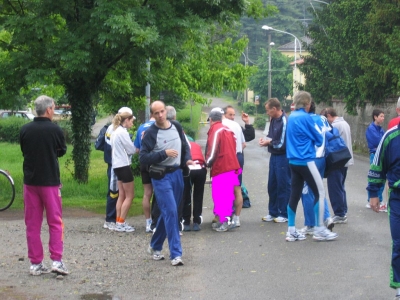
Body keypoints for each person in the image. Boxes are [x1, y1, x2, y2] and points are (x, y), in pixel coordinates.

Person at [20, 95, 68, 275]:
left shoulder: (25, 129)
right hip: (50, 182)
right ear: (48, 110)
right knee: (55, 222)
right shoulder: (55, 130)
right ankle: (56, 260)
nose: (54, 111)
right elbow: (61, 151)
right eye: (54, 108)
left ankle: (35, 263)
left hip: (30, 182)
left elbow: (24, 150)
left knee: (32, 223)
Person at [140, 100, 193, 266]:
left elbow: (184, 146)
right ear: (153, 115)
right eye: (156, 113)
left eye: (162, 111)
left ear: (165, 111)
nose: (160, 115)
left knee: (169, 212)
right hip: (160, 177)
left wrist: (188, 160)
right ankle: (176, 254)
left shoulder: (176, 126)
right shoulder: (151, 133)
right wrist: (163, 154)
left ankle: (155, 246)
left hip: (177, 174)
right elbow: (143, 158)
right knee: (171, 211)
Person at [285, 91, 338, 242]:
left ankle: (291, 230)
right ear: (307, 104)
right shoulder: (307, 117)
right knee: (319, 193)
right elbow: (318, 138)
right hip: (306, 160)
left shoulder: (292, 116)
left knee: (294, 194)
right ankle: (319, 228)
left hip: (293, 161)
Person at [367, 124, 400, 299]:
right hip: (398, 198)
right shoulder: (390, 137)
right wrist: (373, 192)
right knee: (399, 243)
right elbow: (378, 164)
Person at [299, 102, 334, 235]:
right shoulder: (323, 118)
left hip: (310, 158)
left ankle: (310, 224)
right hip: (323, 158)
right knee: (318, 189)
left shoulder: (305, 120)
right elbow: (330, 133)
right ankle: (327, 217)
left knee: (307, 192)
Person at [205, 109, 241, 232]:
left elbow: (213, 149)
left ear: (211, 119)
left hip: (222, 166)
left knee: (221, 196)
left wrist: (207, 162)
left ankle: (225, 222)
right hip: (232, 165)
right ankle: (225, 220)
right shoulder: (228, 129)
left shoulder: (216, 130)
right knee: (228, 195)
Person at [259, 98, 290, 223]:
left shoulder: (284, 120)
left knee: (283, 184)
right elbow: (271, 137)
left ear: (274, 109)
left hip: (283, 156)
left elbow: (282, 143)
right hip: (274, 156)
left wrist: (269, 143)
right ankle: (273, 212)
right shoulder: (272, 120)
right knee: (272, 184)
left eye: (268, 110)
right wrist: (265, 140)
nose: (267, 113)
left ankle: (284, 213)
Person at [324, 107, 354, 224]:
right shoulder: (345, 123)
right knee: (340, 186)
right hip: (345, 159)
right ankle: (343, 211)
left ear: (329, 116)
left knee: (335, 187)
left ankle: (340, 213)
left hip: (337, 160)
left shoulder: (335, 126)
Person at [110, 108, 136, 232]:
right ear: (126, 120)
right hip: (124, 165)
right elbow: (131, 150)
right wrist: (139, 148)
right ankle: (121, 222)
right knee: (130, 196)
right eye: (131, 121)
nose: (132, 123)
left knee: (121, 195)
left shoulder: (115, 131)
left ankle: (118, 221)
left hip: (116, 165)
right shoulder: (123, 132)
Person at [224, 105, 253, 209]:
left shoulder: (236, 126)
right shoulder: (222, 126)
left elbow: (249, 137)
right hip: (231, 159)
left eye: (233, 115)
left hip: (236, 159)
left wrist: (247, 123)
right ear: (224, 115)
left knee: (236, 187)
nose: (232, 117)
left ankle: (233, 212)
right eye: (230, 115)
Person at [134, 112, 156, 233]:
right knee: (158, 192)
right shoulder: (159, 127)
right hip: (156, 162)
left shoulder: (141, 127)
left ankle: (148, 221)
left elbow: (137, 149)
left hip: (144, 162)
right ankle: (156, 221)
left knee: (147, 193)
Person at [182, 140, 207, 231]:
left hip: (189, 170)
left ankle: (186, 222)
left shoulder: (182, 144)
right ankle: (196, 221)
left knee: (187, 195)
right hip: (201, 168)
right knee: (198, 196)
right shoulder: (197, 145)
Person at [365, 109, 386, 211]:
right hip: (374, 155)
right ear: (375, 117)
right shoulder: (371, 128)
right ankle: (371, 199)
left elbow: (384, 141)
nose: (383, 118)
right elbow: (378, 141)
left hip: (381, 154)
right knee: (374, 177)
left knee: (381, 178)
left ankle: (379, 199)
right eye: (381, 116)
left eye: (383, 116)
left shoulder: (381, 129)